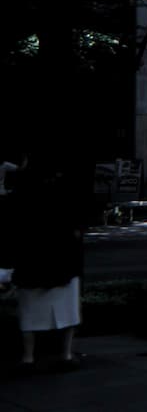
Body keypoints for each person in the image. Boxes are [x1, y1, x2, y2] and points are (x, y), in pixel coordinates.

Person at [6, 160, 87, 373]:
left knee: (30, 315)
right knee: (67, 313)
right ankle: (66, 354)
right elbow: (75, 231)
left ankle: (28, 357)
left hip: (32, 266)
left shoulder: (21, 199)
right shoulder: (64, 198)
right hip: (63, 263)